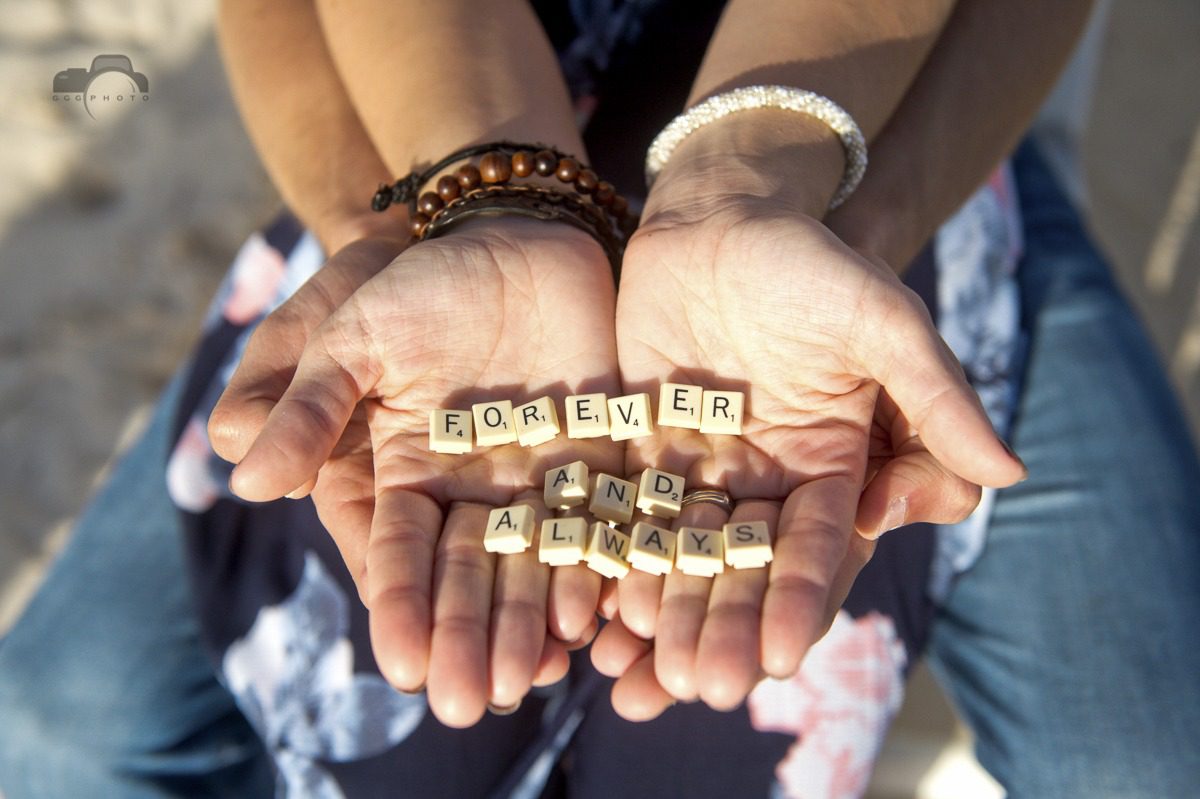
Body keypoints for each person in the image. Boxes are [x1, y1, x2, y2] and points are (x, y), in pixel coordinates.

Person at [1, 1, 1197, 797]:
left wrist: (834, 217)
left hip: (891, 182)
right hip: (425, 179)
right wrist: (416, 222)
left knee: (1150, 761)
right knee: (57, 721)